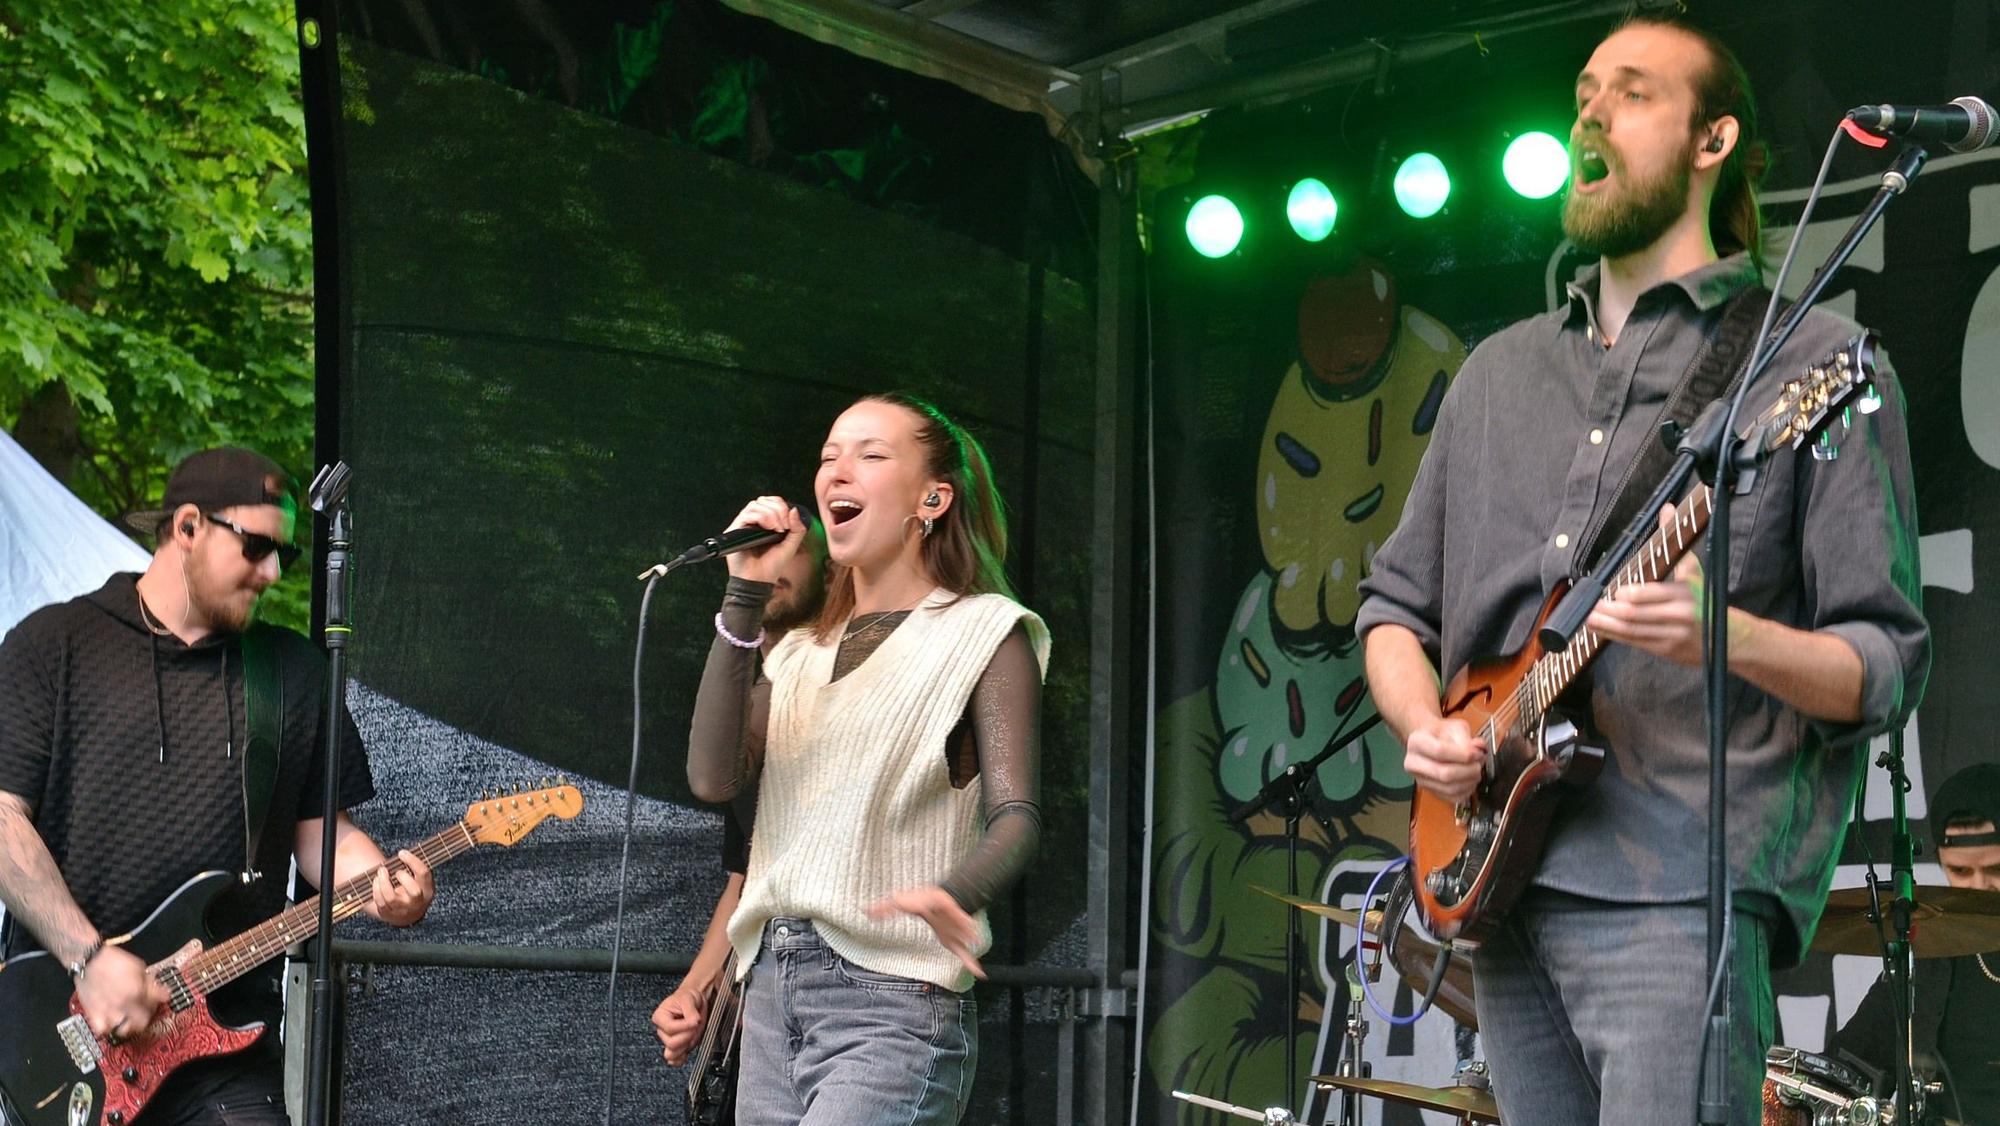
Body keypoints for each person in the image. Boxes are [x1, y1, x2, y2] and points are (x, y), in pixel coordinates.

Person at [1355, 15, 1929, 1125]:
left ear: (1711, 141)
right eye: (1581, 91)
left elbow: (1883, 663)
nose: (1587, 110)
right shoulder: (1494, 375)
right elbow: (1392, 607)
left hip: (1674, 882)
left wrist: (1729, 632)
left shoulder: (1814, 366)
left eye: (1629, 91)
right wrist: (1424, 724)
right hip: (1500, 881)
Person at [0, 447, 436, 1125]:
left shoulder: (291, 674)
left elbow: (326, 838)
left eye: (285, 557)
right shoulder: (54, 646)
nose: (270, 574)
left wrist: (381, 887)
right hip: (69, 1033)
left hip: (225, 1042)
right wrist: (89, 958)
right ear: (188, 527)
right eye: (257, 546)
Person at [685, 392, 1048, 1126]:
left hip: (891, 1001)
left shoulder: (984, 631)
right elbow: (711, 778)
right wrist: (743, 593)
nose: (836, 471)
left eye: (869, 455)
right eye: (828, 457)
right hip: (770, 997)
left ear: (933, 497)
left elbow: (1017, 814)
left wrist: (958, 889)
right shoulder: (796, 653)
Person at [651, 513, 829, 1072]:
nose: (774, 557)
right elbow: (749, 871)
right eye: (763, 542)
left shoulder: (834, 682)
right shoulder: (743, 691)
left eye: (792, 545)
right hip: (768, 995)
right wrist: (697, 990)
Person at [1830, 763, 2000, 1125]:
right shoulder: (1936, 954)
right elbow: (1849, 1068)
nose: (1978, 887)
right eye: (1961, 872)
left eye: (1996, 870)